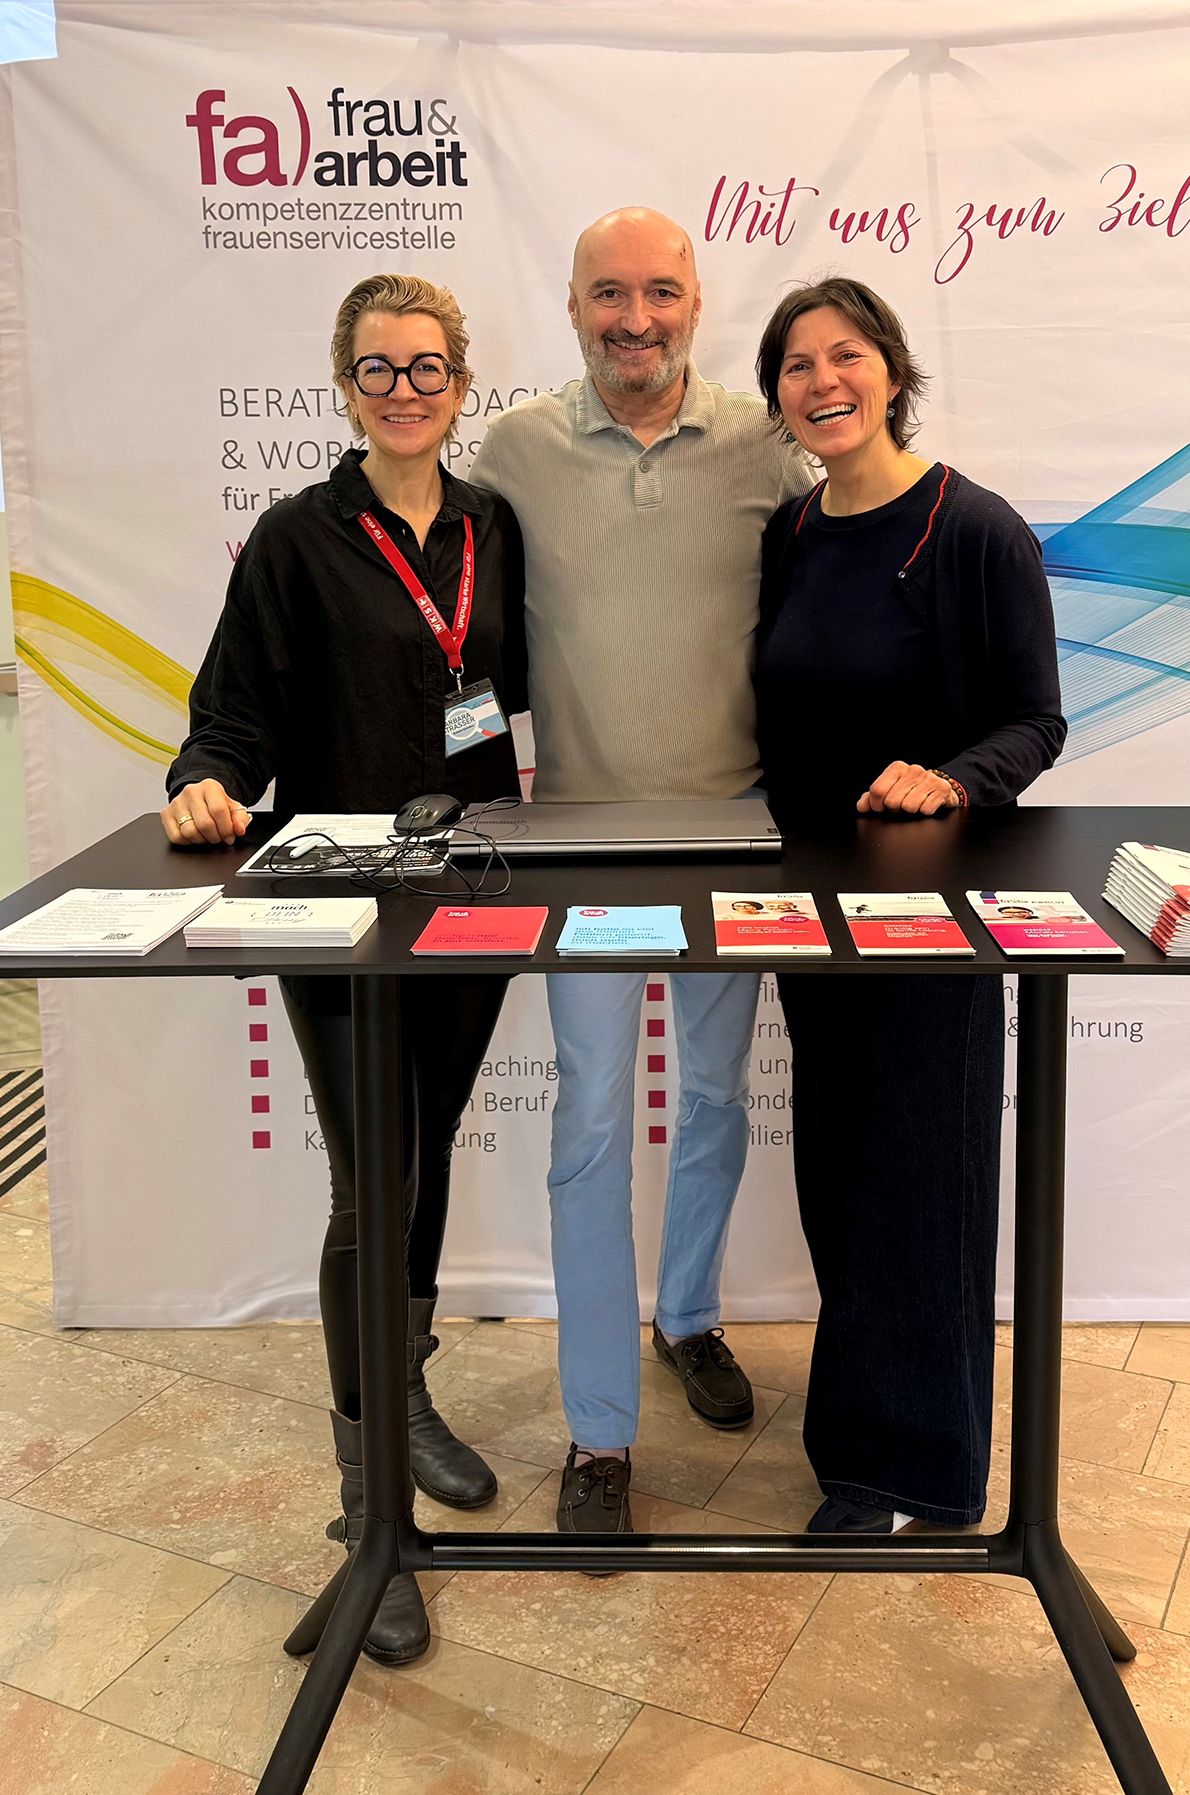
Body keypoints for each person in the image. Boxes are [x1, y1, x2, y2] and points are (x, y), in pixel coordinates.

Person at [165, 273, 527, 1664]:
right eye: (377, 371)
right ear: (343, 385)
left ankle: (410, 1389)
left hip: (474, 898)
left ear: (459, 381)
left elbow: (519, 693)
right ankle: (365, 1512)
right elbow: (232, 716)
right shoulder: (296, 539)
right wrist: (205, 785)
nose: (404, 391)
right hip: (343, 913)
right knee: (371, 1183)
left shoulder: (495, 527)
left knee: (423, 1151)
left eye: (426, 367)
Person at [467, 208, 814, 1543]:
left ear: (696, 303)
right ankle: (599, 1434)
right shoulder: (515, 451)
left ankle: (690, 1317)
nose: (636, 318)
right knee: (595, 1129)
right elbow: (462, 624)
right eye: (609, 294)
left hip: (735, 837)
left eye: (660, 292)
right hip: (586, 851)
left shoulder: (764, 448)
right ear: (570, 307)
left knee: (718, 1098)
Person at [748, 276, 1065, 1532]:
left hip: (933, 913)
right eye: (794, 367)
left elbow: (1033, 719)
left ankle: (909, 1471)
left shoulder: (970, 527)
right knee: (837, 1171)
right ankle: (854, 1437)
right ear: (775, 396)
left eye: (845, 357)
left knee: (917, 1177)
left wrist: (950, 777)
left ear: (890, 369)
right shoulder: (790, 533)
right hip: (802, 908)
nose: (822, 383)